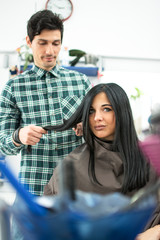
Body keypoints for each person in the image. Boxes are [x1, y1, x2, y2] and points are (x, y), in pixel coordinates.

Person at [44, 83, 160, 239]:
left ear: (121, 112)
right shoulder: (72, 165)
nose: (97, 117)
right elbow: (52, 222)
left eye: (106, 109)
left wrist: (155, 231)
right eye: (91, 111)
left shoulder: (150, 159)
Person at [0, 9, 92, 197]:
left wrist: (88, 126)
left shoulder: (81, 82)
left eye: (55, 43)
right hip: (34, 190)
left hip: (75, 189)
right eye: (42, 43)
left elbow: (102, 129)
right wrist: (19, 136)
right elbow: (2, 142)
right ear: (29, 42)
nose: (50, 51)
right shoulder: (14, 86)